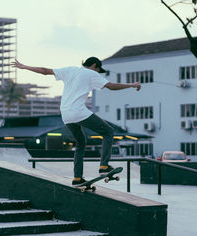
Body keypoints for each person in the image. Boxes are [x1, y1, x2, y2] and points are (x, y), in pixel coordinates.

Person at [12, 57, 141, 186]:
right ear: (94, 65)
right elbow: (110, 86)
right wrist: (131, 85)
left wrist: (25, 66)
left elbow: (45, 71)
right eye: (97, 70)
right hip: (79, 112)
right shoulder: (91, 74)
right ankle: (104, 166)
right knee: (108, 132)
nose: (97, 72)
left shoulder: (70, 70)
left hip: (66, 115)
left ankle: (77, 177)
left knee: (81, 142)